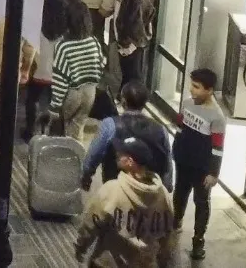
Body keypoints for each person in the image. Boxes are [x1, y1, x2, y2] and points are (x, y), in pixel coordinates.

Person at [73, 137, 177, 268]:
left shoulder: (112, 190)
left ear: (130, 162)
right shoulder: (163, 195)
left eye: (121, 154)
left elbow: (91, 224)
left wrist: (81, 247)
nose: (117, 155)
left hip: (108, 263)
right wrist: (163, 261)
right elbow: (167, 235)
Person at [171, 68, 226, 261]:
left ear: (209, 90)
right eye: (191, 85)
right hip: (183, 161)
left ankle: (198, 240)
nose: (191, 90)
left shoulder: (217, 117)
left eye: (196, 87)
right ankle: (176, 221)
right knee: (179, 194)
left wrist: (213, 172)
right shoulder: (186, 104)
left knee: (201, 202)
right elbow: (179, 128)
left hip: (202, 168)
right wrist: (175, 151)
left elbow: (218, 148)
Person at [84, 82, 172, 190]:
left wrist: (86, 176)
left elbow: (94, 154)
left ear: (123, 101)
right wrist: (166, 186)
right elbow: (167, 161)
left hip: (117, 186)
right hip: (148, 187)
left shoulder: (110, 125)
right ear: (145, 103)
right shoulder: (160, 129)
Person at [52, 0, 106, 137]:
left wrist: (54, 105)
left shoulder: (63, 46)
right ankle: (79, 157)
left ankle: (64, 157)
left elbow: (60, 79)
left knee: (64, 131)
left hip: (72, 93)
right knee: (78, 128)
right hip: (90, 92)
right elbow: (101, 66)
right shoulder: (93, 41)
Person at [112, 0, 155, 89]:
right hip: (125, 42)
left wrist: (129, 46)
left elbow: (138, 26)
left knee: (132, 77)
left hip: (132, 46)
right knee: (126, 75)